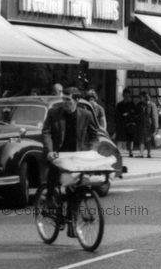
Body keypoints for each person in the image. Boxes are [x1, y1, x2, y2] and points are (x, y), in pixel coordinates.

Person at [42, 87, 99, 237]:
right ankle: (50, 203)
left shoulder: (86, 115)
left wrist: (93, 150)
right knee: (55, 183)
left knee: (76, 189)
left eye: (68, 100)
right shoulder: (54, 113)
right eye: (63, 99)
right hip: (58, 155)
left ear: (77, 100)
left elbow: (94, 136)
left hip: (76, 157)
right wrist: (49, 151)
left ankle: (72, 223)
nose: (65, 102)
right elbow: (46, 131)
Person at [115, 88, 138, 157]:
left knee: (130, 139)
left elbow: (135, 114)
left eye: (128, 96)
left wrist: (131, 117)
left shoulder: (132, 104)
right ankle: (117, 152)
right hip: (121, 123)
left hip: (130, 123)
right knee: (119, 138)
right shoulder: (119, 105)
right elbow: (116, 115)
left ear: (129, 95)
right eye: (125, 96)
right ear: (123, 95)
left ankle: (131, 152)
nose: (126, 97)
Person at [137, 91, 158, 158]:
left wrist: (155, 126)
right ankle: (141, 153)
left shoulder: (152, 105)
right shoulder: (139, 105)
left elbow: (155, 116)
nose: (140, 98)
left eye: (141, 97)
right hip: (141, 124)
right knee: (141, 139)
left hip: (149, 125)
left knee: (148, 139)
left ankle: (149, 153)